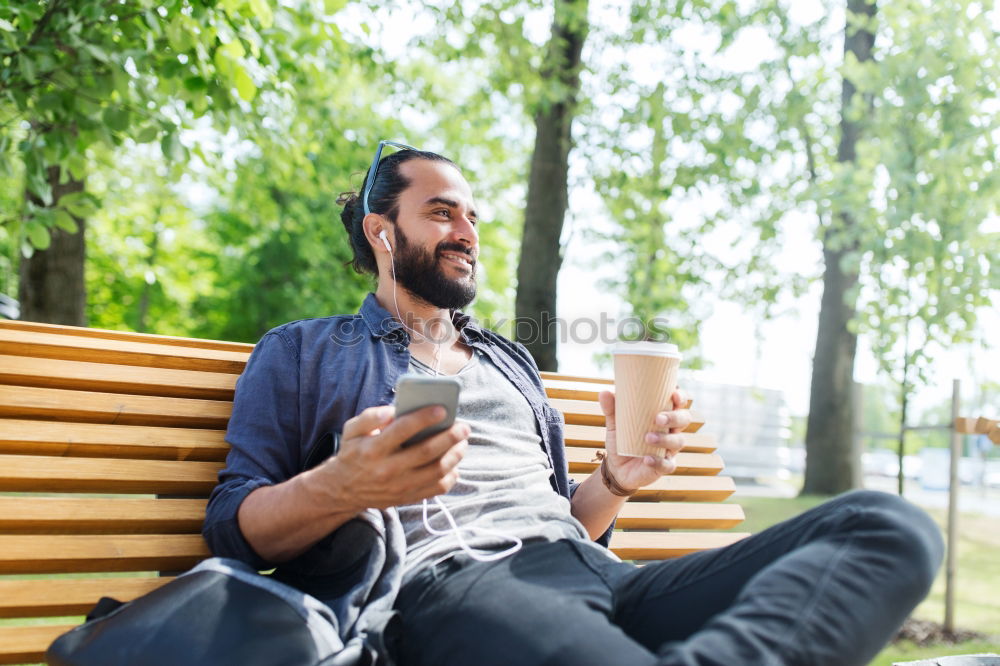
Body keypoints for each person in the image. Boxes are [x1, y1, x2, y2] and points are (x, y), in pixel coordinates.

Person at [204, 141, 944, 666]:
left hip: (593, 577)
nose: (468, 232)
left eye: (473, 218)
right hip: (448, 587)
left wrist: (616, 479)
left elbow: (562, 519)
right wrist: (342, 485)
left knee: (887, 527)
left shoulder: (508, 359)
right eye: (441, 213)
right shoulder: (303, 351)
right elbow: (234, 531)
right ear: (382, 232)